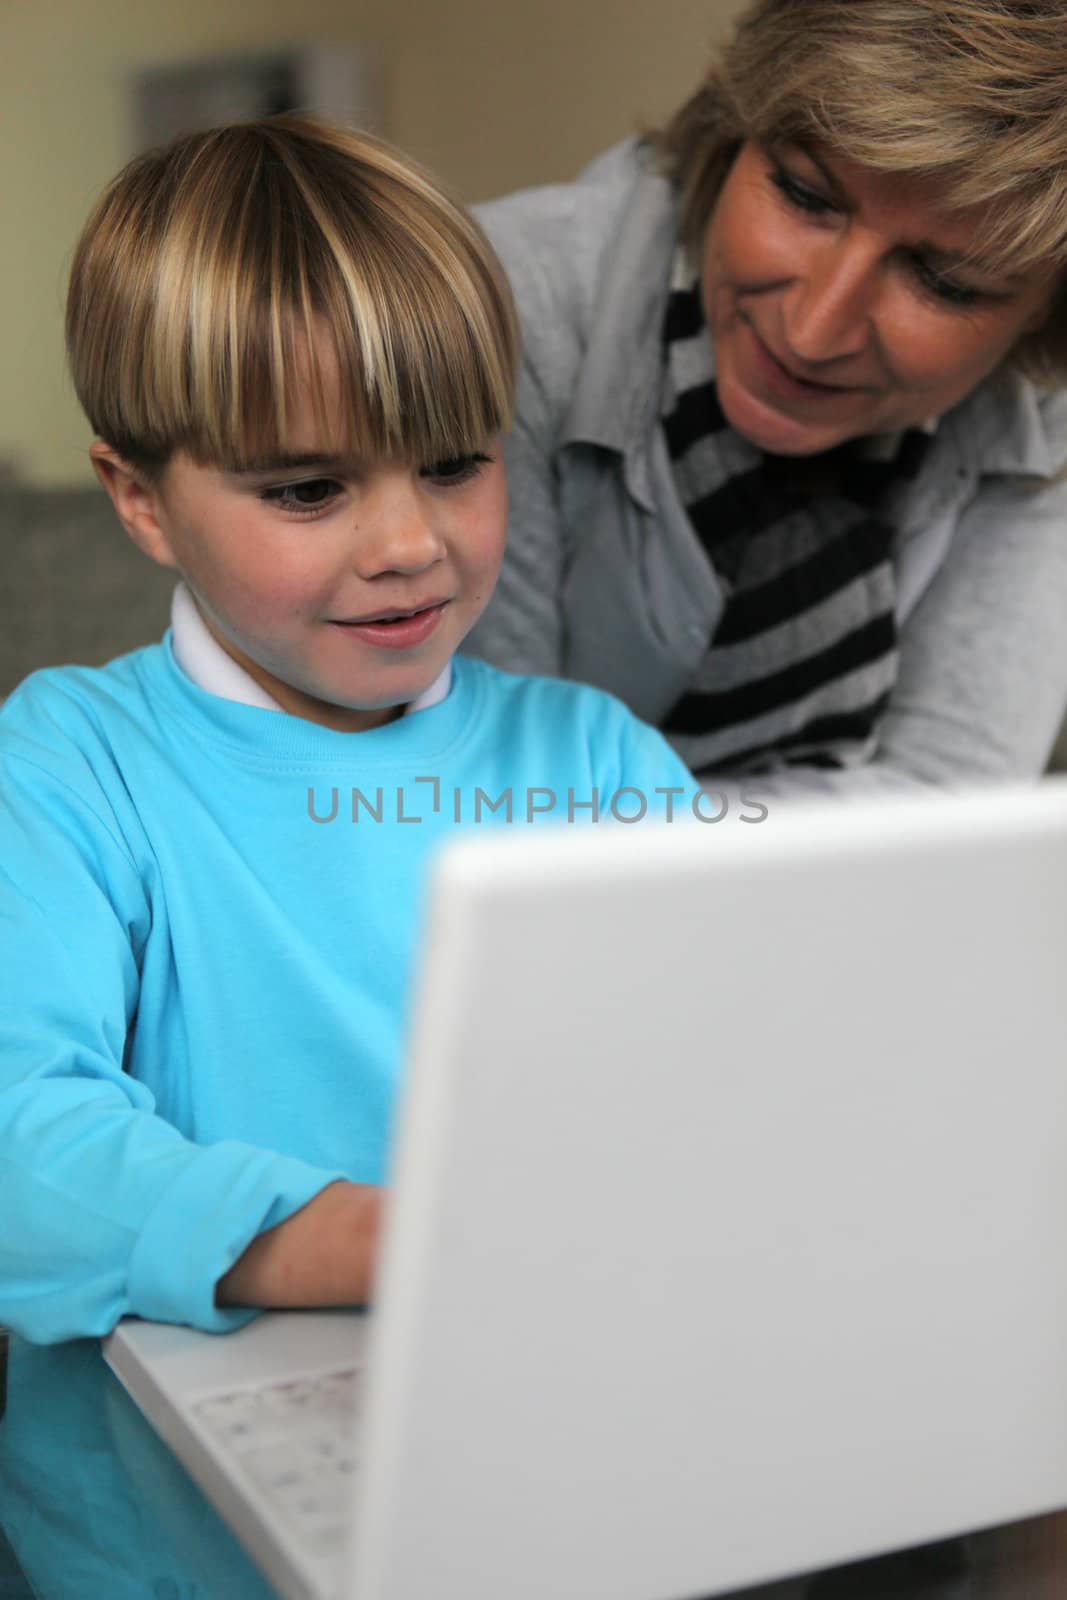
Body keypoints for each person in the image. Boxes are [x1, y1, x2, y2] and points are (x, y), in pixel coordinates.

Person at [0, 114, 698, 1352]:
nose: (407, 545)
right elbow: (23, 1152)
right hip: (174, 1519)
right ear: (140, 499)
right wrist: (385, 1239)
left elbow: (732, 1082)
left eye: (450, 462)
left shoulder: (596, 764)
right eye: (309, 489)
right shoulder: (68, 765)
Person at [465, 0, 1067, 798]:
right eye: (804, 196)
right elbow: (509, 803)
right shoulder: (495, 312)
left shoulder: (1040, 402)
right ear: (728, 134)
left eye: (943, 282)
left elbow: (954, 793)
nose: (813, 332)